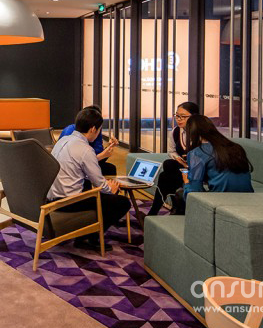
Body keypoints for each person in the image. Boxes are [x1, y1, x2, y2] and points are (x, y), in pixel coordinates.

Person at [48, 107, 131, 252]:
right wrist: (110, 188)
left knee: (97, 188)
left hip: (51, 197)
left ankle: (87, 230)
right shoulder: (85, 149)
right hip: (68, 201)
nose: (99, 133)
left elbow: (76, 170)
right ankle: (89, 238)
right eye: (99, 130)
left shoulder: (63, 141)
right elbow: (100, 184)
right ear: (93, 129)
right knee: (122, 202)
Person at [169, 114, 253, 214]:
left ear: (192, 133)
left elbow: (195, 190)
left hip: (219, 200)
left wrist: (187, 181)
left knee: (180, 193)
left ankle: (183, 223)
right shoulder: (236, 147)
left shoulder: (197, 153)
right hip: (248, 198)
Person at [148, 101, 200, 216]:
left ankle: (156, 211)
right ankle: (175, 206)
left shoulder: (201, 133)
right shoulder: (176, 131)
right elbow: (171, 151)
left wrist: (190, 163)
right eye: (177, 116)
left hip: (199, 168)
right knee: (168, 165)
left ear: (194, 117)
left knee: (166, 174)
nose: (179, 119)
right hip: (183, 167)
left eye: (183, 116)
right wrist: (179, 159)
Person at [59, 105, 118, 175]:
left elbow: (97, 155)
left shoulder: (96, 131)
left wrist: (108, 148)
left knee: (110, 168)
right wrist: (102, 155)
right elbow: (77, 162)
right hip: (71, 169)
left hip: (85, 163)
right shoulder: (69, 133)